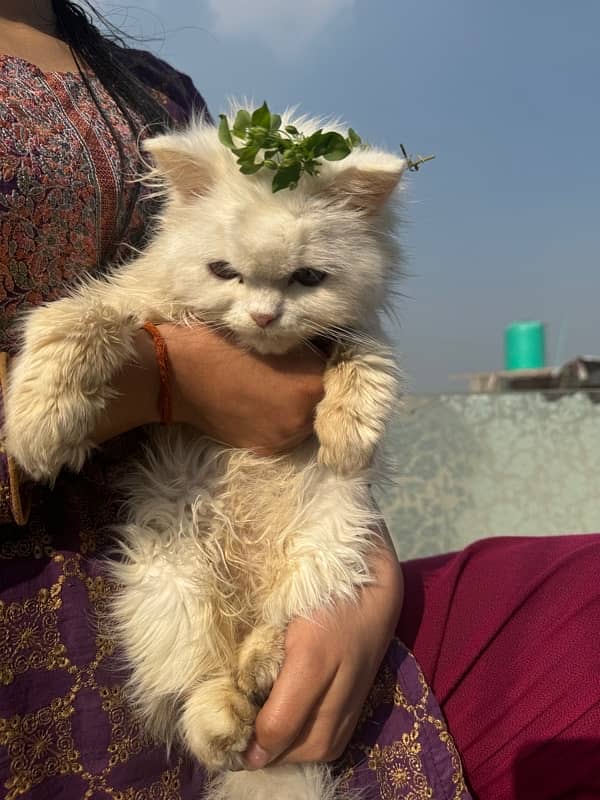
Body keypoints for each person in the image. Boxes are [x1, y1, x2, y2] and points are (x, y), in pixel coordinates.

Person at [1, 3, 598, 799]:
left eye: (298, 283)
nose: (262, 313)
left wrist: (367, 573)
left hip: (297, 560)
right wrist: (164, 377)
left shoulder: (156, 89)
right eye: (239, 282)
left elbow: (326, 391)